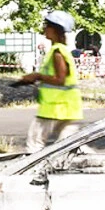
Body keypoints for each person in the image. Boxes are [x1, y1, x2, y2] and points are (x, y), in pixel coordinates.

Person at [18, 11, 83, 153]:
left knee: (35, 142)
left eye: (47, 25)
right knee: (68, 146)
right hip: (67, 108)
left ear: (56, 29)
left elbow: (60, 79)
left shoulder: (58, 52)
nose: (44, 28)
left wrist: (37, 76)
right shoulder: (60, 50)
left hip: (55, 108)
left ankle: (30, 166)